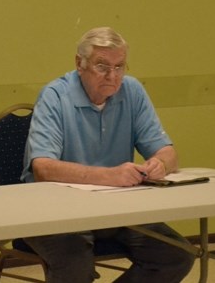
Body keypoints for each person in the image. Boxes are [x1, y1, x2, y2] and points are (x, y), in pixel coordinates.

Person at [21, 27, 195, 283]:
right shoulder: (55, 96)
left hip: (115, 209)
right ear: (79, 64)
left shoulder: (132, 91)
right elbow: (43, 169)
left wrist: (160, 163)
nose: (112, 76)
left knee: (177, 254)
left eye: (120, 66)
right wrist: (109, 176)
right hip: (55, 211)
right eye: (102, 66)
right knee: (75, 265)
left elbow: (168, 152)